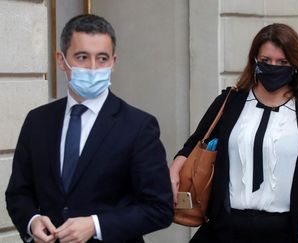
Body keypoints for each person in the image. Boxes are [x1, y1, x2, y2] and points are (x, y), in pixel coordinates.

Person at [6, 14, 173, 243]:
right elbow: (18, 193)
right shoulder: (38, 121)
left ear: (114, 62)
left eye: (102, 58)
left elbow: (159, 208)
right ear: (61, 60)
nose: (93, 68)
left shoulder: (138, 126)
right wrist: (32, 221)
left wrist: (95, 225)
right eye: (82, 57)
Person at [170, 23, 298, 243]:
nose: (273, 67)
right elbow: (194, 143)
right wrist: (173, 172)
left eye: (282, 62)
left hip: (284, 231)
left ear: (295, 65)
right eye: (266, 61)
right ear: (255, 60)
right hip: (225, 228)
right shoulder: (230, 102)